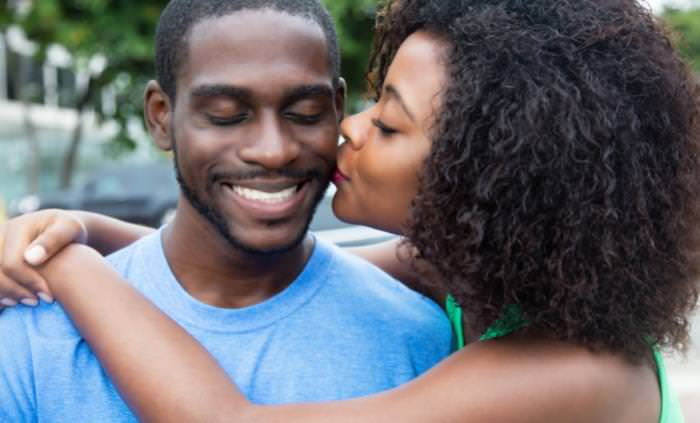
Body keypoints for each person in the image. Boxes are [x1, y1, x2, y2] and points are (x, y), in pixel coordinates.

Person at [2, 0, 699, 421]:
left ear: (489, 177)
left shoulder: (577, 371)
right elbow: (264, 267)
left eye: (388, 126)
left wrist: (65, 264)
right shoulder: (474, 276)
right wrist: (83, 225)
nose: (349, 130)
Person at [0, 1, 454, 421]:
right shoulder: (30, 338)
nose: (273, 151)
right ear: (161, 116)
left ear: (336, 109)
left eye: (305, 112)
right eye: (225, 115)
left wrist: (72, 262)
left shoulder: (419, 336)